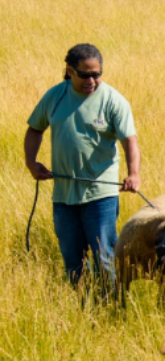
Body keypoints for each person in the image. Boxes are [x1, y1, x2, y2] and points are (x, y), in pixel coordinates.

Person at [24, 44, 141, 292]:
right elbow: (35, 129)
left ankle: (110, 308)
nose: (92, 80)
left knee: (105, 259)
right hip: (63, 196)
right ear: (69, 71)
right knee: (72, 262)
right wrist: (31, 163)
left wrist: (134, 174)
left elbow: (129, 140)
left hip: (101, 197)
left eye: (97, 74)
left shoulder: (112, 100)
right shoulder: (54, 97)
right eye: (85, 74)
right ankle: (82, 308)